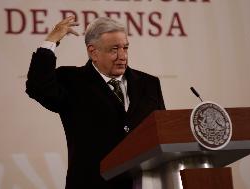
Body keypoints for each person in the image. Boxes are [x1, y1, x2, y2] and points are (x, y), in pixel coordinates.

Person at [26, 16, 165, 188]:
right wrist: (51, 40)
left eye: (125, 48)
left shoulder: (149, 83)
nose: (122, 56)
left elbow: (161, 132)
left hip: (144, 183)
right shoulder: (72, 81)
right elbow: (36, 86)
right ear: (93, 52)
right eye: (114, 49)